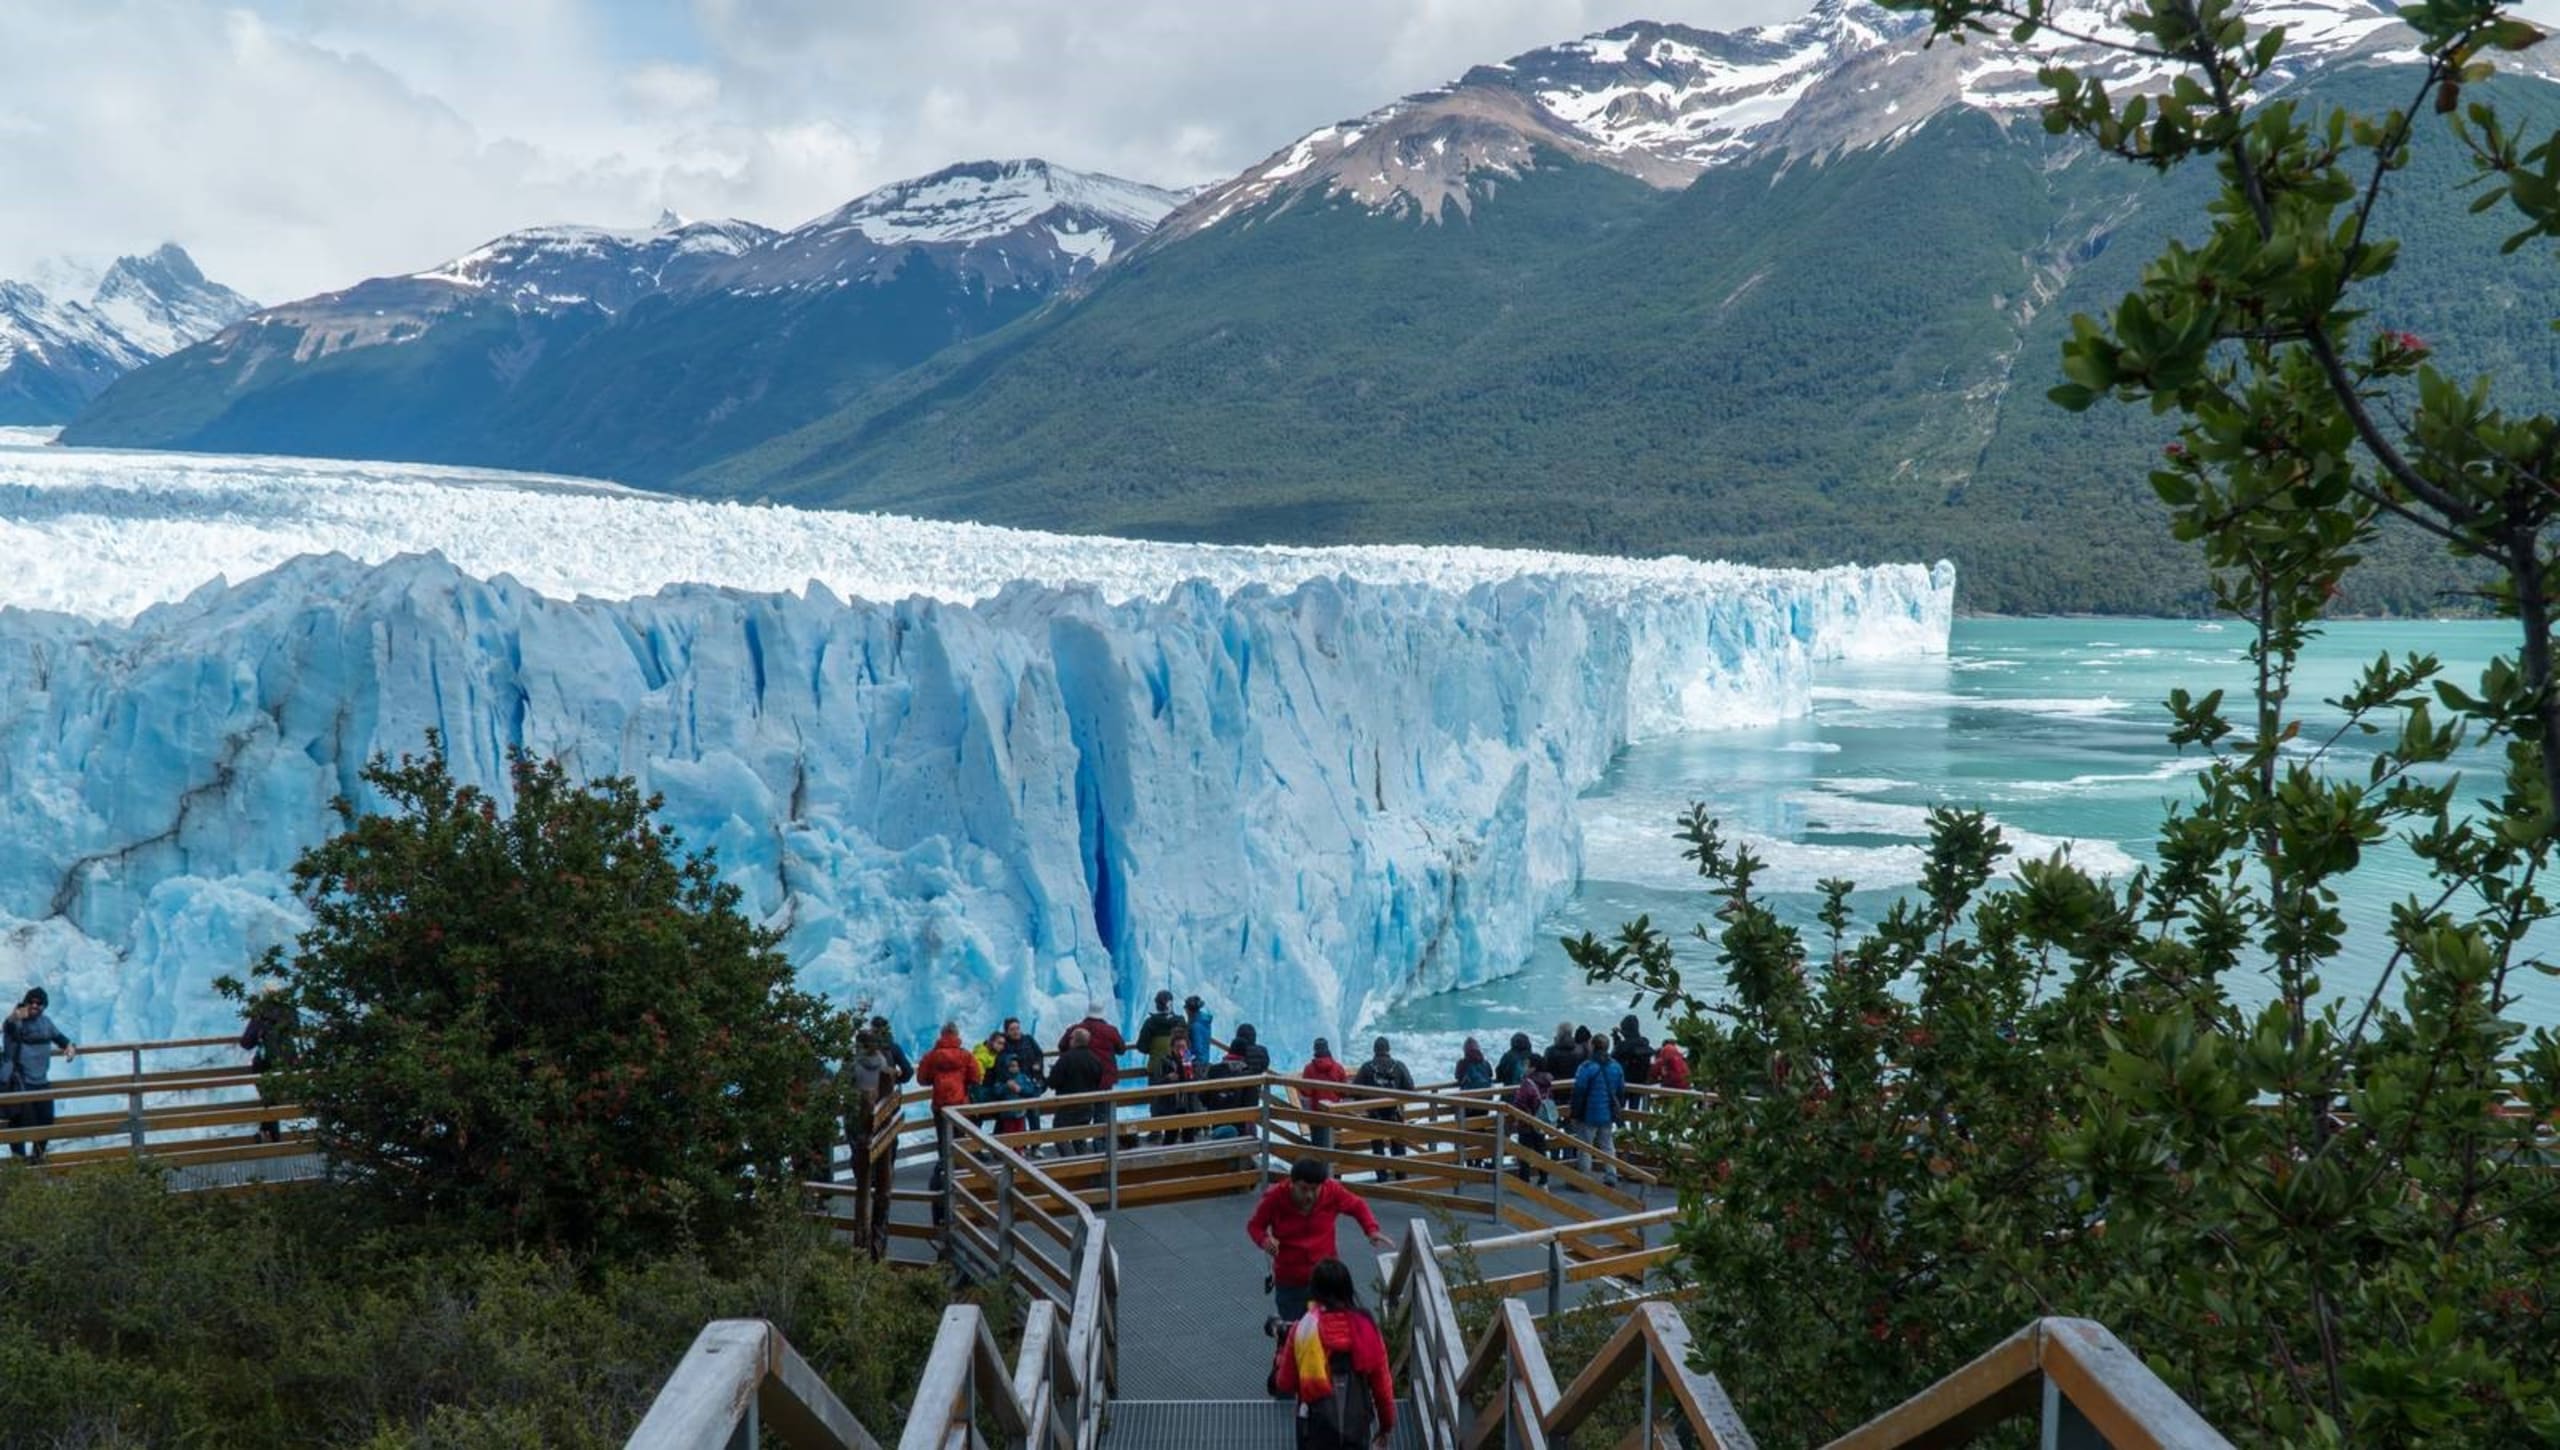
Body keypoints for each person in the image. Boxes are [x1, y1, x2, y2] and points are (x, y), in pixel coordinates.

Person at [1246, 1159, 1394, 1329]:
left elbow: (1357, 1205)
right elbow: (1255, 1226)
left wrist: (1371, 1229)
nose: (1309, 1195)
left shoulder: (1332, 1191)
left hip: (1326, 1277)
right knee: (1295, 1331)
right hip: (1291, 1279)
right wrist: (1264, 1240)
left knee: (1334, 1329)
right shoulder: (1274, 1198)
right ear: (1291, 1184)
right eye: (1303, 1189)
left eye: (1314, 1189)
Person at [1269, 1257, 1399, 1450]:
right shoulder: (1368, 1329)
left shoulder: (1302, 1329)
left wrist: (1281, 1352)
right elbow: (1382, 1388)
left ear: (1314, 1291)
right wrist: (1386, 1426)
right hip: (1356, 1428)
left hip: (1315, 1430)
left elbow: (1284, 1383)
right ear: (1347, 1289)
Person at [3, 989, 77, 1164]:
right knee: (18, 1122)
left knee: (46, 1120)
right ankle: (18, 1162)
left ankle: (37, 1156)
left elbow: (60, 1038)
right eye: (31, 1002)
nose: (35, 1005)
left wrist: (69, 1046)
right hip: (19, 1081)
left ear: (44, 1006)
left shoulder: (46, 1023)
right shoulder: (17, 1022)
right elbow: (9, 1027)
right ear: (26, 1002)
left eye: (39, 1003)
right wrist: (16, 1016)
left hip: (41, 1081)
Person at [238, 982, 297, 1144]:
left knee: (270, 1100)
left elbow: (246, 1042)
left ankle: (273, 1139)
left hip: (266, 1063)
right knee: (273, 1100)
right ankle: (267, 1134)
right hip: (289, 1062)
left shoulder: (261, 1013)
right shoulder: (290, 1011)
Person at [1569, 1027, 1627, 1188]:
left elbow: (1578, 1092)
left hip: (1589, 1113)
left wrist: (1574, 1114)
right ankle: (1611, 1175)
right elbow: (1621, 1090)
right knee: (1608, 1145)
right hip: (1607, 1113)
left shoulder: (1586, 1067)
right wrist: (1618, 1109)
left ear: (1593, 1047)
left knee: (1585, 1147)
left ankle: (1584, 1179)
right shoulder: (1616, 1067)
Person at [1351, 1037, 1413, 1180]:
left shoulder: (1367, 1067)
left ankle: (1382, 1178)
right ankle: (1401, 1176)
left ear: (1374, 1049)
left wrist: (1364, 1101)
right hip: (1394, 1114)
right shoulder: (1399, 1066)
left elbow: (1354, 1090)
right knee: (1398, 1144)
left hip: (1375, 1114)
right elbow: (1410, 1088)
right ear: (1388, 1049)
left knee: (1377, 1146)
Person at [1049, 1026, 1107, 1155]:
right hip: (1087, 1104)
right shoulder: (1095, 1059)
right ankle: (1082, 1163)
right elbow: (1098, 1080)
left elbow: (1053, 1082)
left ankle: (1071, 1162)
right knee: (1080, 1137)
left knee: (1058, 1133)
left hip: (1068, 1104)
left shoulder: (1066, 1059)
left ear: (1073, 1040)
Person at [1299, 1039, 1351, 1148]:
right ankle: (1335, 1162)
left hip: (1317, 1113)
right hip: (1334, 1111)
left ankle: (1320, 1164)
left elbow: (1306, 1092)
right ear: (1328, 1049)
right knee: (1336, 1143)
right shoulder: (1338, 1067)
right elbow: (1344, 1093)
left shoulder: (1309, 1069)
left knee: (1318, 1146)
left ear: (1315, 1050)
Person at [1509, 1069, 1555, 1187]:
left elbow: (1519, 1101)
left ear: (1533, 1066)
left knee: (1525, 1152)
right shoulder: (1546, 1081)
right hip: (1541, 1121)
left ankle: (1524, 1180)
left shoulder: (1528, 1083)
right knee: (1540, 1150)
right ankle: (1543, 1179)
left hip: (1527, 1122)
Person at [1000, 1017, 1047, 1132]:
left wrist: (1038, 1064)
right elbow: (1001, 1064)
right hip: (1016, 1086)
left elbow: (1039, 1054)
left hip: (1030, 1083)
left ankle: (1035, 1144)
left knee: (1034, 1114)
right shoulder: (1005, 1045)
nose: (1016, 1031)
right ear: (1007, 1031)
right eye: (1012, 1029)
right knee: (1018, 1116)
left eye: (1017, 1028)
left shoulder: (1028, 1040)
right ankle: (1021, 1145)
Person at [1154, 1030, 1201, 1142]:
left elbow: (1199, 1080)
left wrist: (1191, 1076)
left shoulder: (1192, 1061)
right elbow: (1157, 1083)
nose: (1181, 1050)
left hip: (1188, 1104)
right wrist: (1168, 1078)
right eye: (1177, 1047)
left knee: (1189, 1136)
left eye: (1183, 1047)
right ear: (1172, 1048)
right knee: (1170, 1136)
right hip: (1171, 1104)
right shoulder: (1165, 1062)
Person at [1137, 989, 1185, 1081]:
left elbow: (1141, 1046)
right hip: (1178, 1068)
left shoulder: (1150, 1023)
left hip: (1156, 1067)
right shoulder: (1180, 1021)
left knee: (1156, 1092)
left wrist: (1153, 1048)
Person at [1184, 994, 1215, 1069]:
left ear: (1189, 1010)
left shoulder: (1195, 1026)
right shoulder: (1204, 1022)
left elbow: (1196, 1048)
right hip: (1205, 1061)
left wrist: (1186, 1061)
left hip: (1197, 1064)